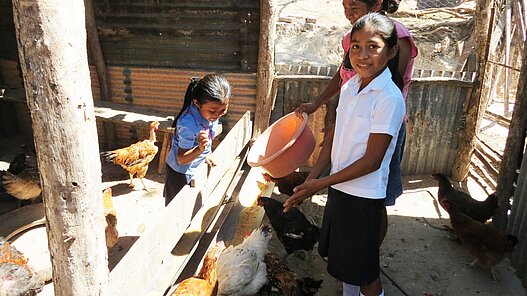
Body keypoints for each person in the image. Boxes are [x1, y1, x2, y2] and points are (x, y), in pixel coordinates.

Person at [285, 13, 406, 296]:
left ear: (391, 51)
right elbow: (335, 138)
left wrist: (319, 184)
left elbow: (372, 161)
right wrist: (311, 180)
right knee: (345, 265)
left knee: (365, 273)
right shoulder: (350, 88)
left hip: (363, 198)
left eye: (373, 46)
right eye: (356, 46)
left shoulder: (388, 97)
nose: (363, 55)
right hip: (340, 190)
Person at [295, 0, 418, 249]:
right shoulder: (354, 41)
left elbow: (388, 85)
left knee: (375, 197)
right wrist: (323, 107)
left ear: (377, 2)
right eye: (345, 6)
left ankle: (369, 252)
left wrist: (347, 122)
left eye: (354, 6)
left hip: (379, 123)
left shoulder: (397, 37)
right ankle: (350, 253)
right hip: (353, 114)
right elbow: (344, 74)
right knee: (346, 192)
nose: (348, 13)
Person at [164, 74, 231, 206]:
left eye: (223, 110)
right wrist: (201, 149)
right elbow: (181, 159)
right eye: (213, 111)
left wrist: (207, 152)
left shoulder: (209, 111)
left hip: (195, 165)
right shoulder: (188, 124)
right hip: (180, 173)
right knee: (177, 209)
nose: (217, 115)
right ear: (197, 103)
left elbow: (207, 134)